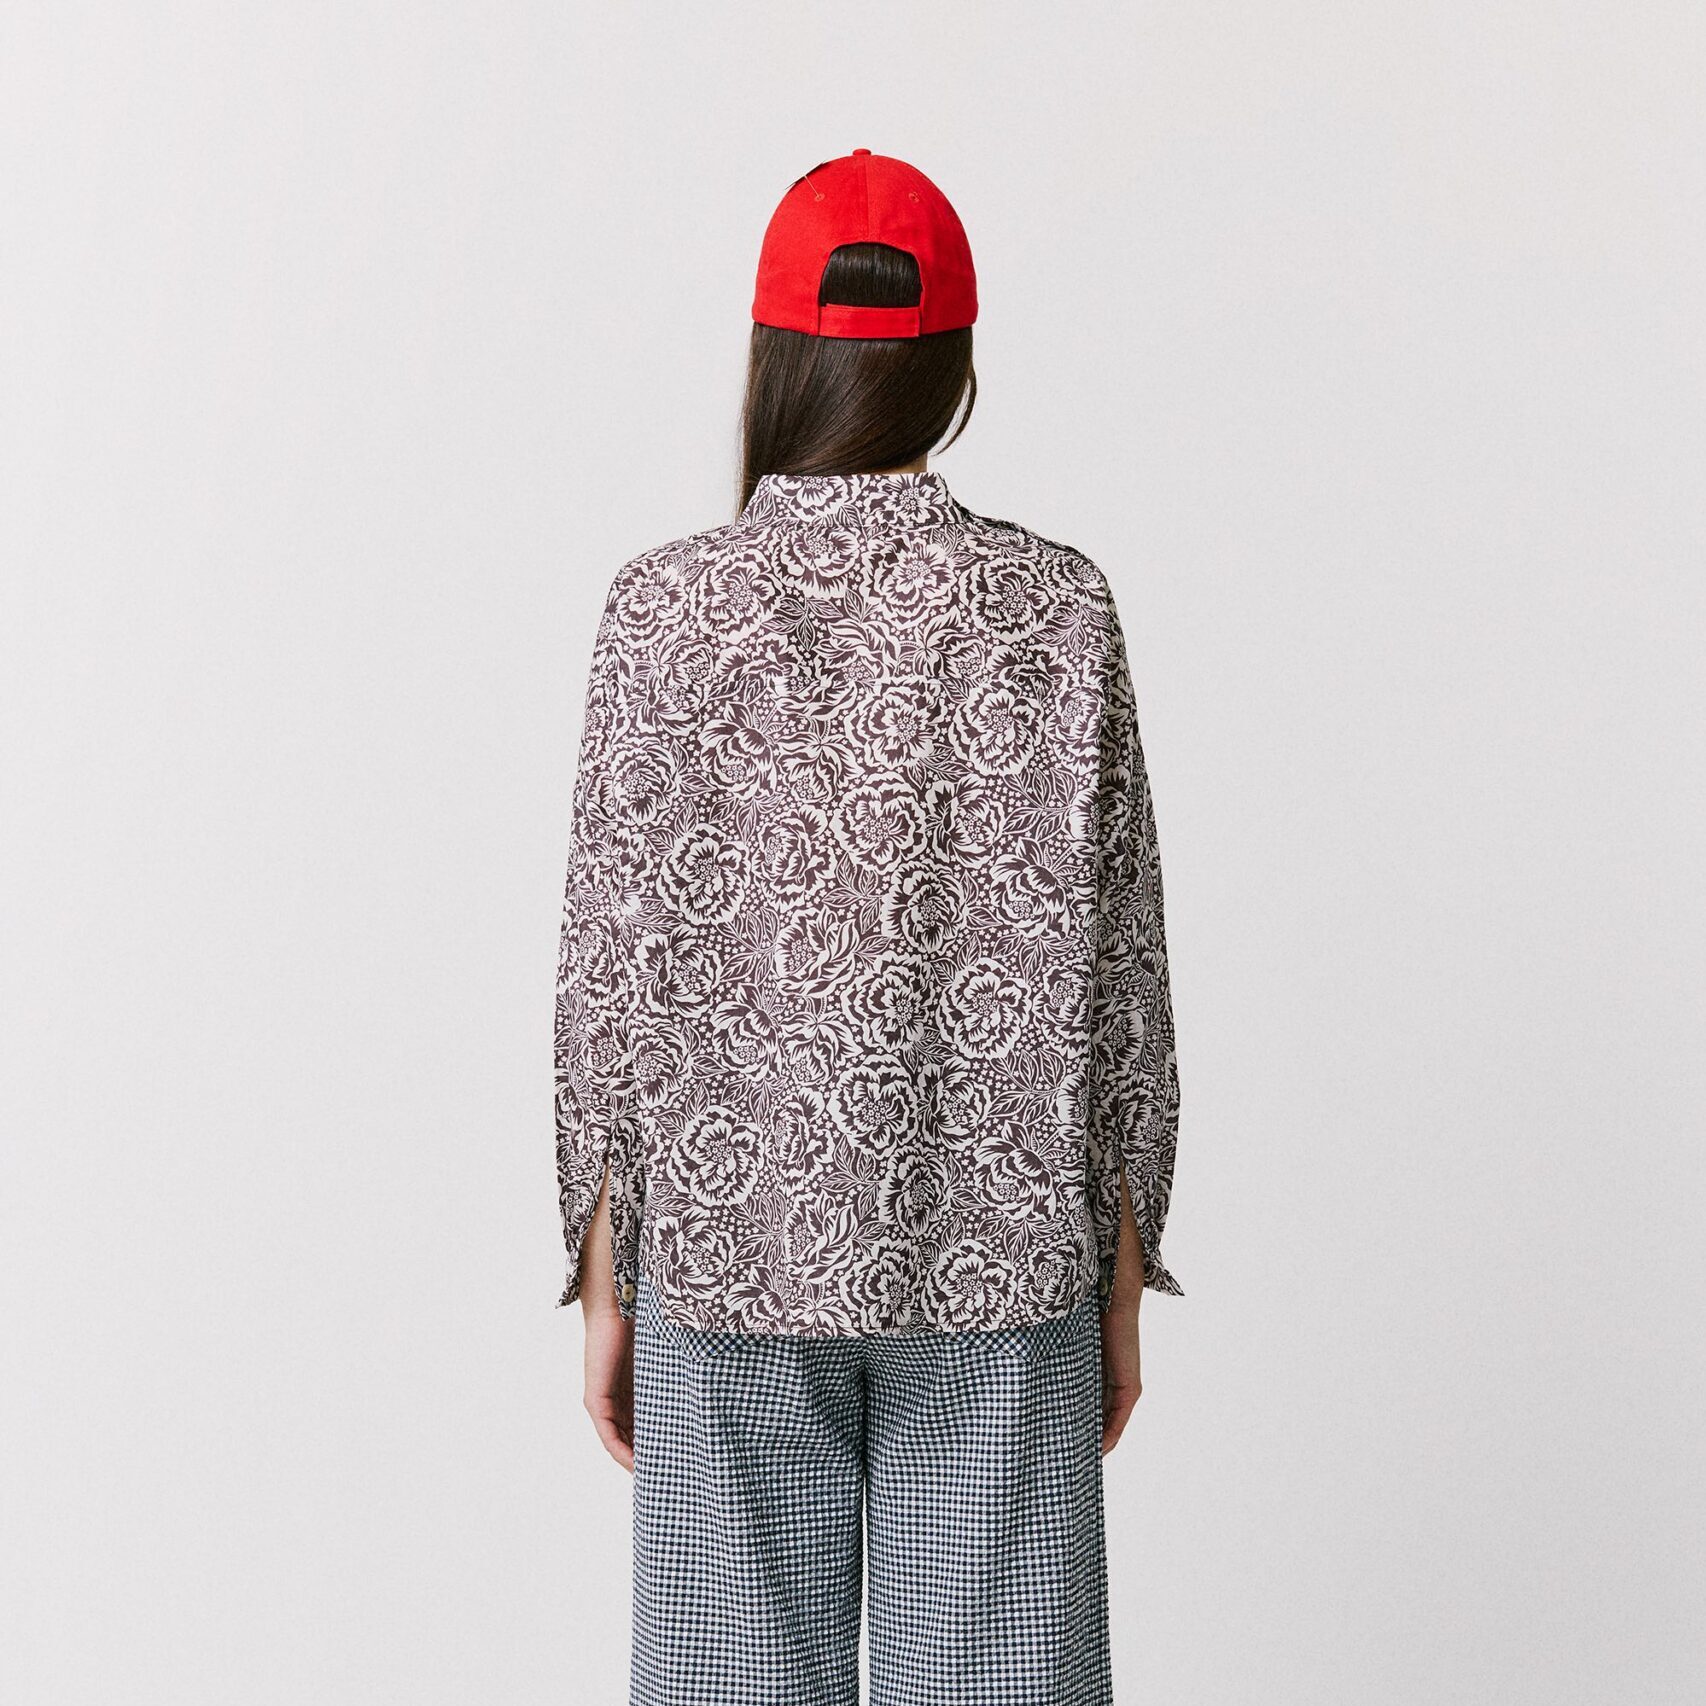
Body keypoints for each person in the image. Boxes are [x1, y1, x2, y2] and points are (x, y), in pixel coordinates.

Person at [553, 148, 1183, 1706]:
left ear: (771, 355)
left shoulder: (662, 610)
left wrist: (605, 1263)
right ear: (953, 368)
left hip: (727, 1252)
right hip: (1001, 1259)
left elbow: (608, 971)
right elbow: (1120, 971)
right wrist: (1121, 1263)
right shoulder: (1055, 608)